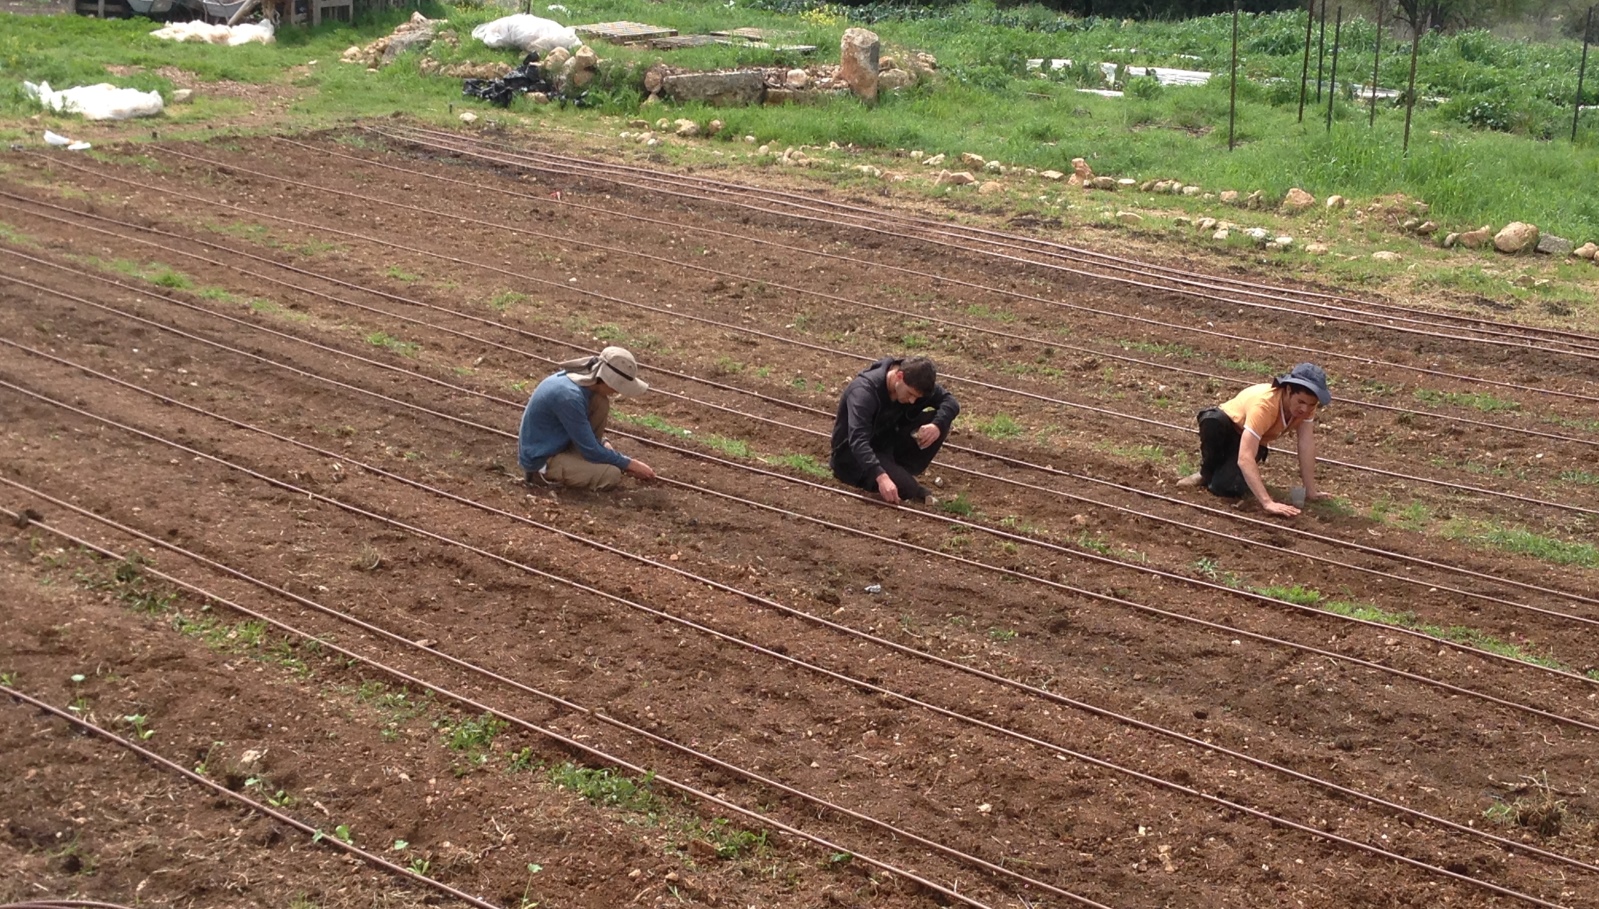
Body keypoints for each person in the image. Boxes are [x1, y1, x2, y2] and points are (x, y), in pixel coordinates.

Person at [1177, 362, 1331, 517]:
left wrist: (1310, 490)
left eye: (1311, 404)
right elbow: (1245, 457)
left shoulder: (1305, 409)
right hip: (1229, 427)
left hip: (1252, 441)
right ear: (1288, 390)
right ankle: (1206, 472)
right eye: (1301, 402)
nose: (1305, 409)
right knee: (1212, 421)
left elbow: (1306, 442)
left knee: (1224, 488)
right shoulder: (1265, 405)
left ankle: (1220, 475)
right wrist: (1267, 502)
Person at [518, 346, 656, 490]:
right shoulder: (569, 397)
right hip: (543, 458)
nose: (616, 392)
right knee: (611, 474)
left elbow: (581, 432)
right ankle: (543, 476)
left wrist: (602, 445)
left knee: (600, 402)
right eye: (618, 387)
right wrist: (630, 464)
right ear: (607, 381)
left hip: (558, 443)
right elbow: (591, 450)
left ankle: (582, 460)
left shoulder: (580, 386)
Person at [831, 355, 960, 506]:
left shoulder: (912, 381)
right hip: (852, 457)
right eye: (910, 394)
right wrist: (881, 477)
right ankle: (888, 480)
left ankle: (898, 472)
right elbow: (858, 440)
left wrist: (937, 425)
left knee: (940, 420)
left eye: (916, 397)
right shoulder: (864, 392)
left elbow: (951, 402)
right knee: (908, 489)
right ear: (899, 376)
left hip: (886, 445)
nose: (912, 401)